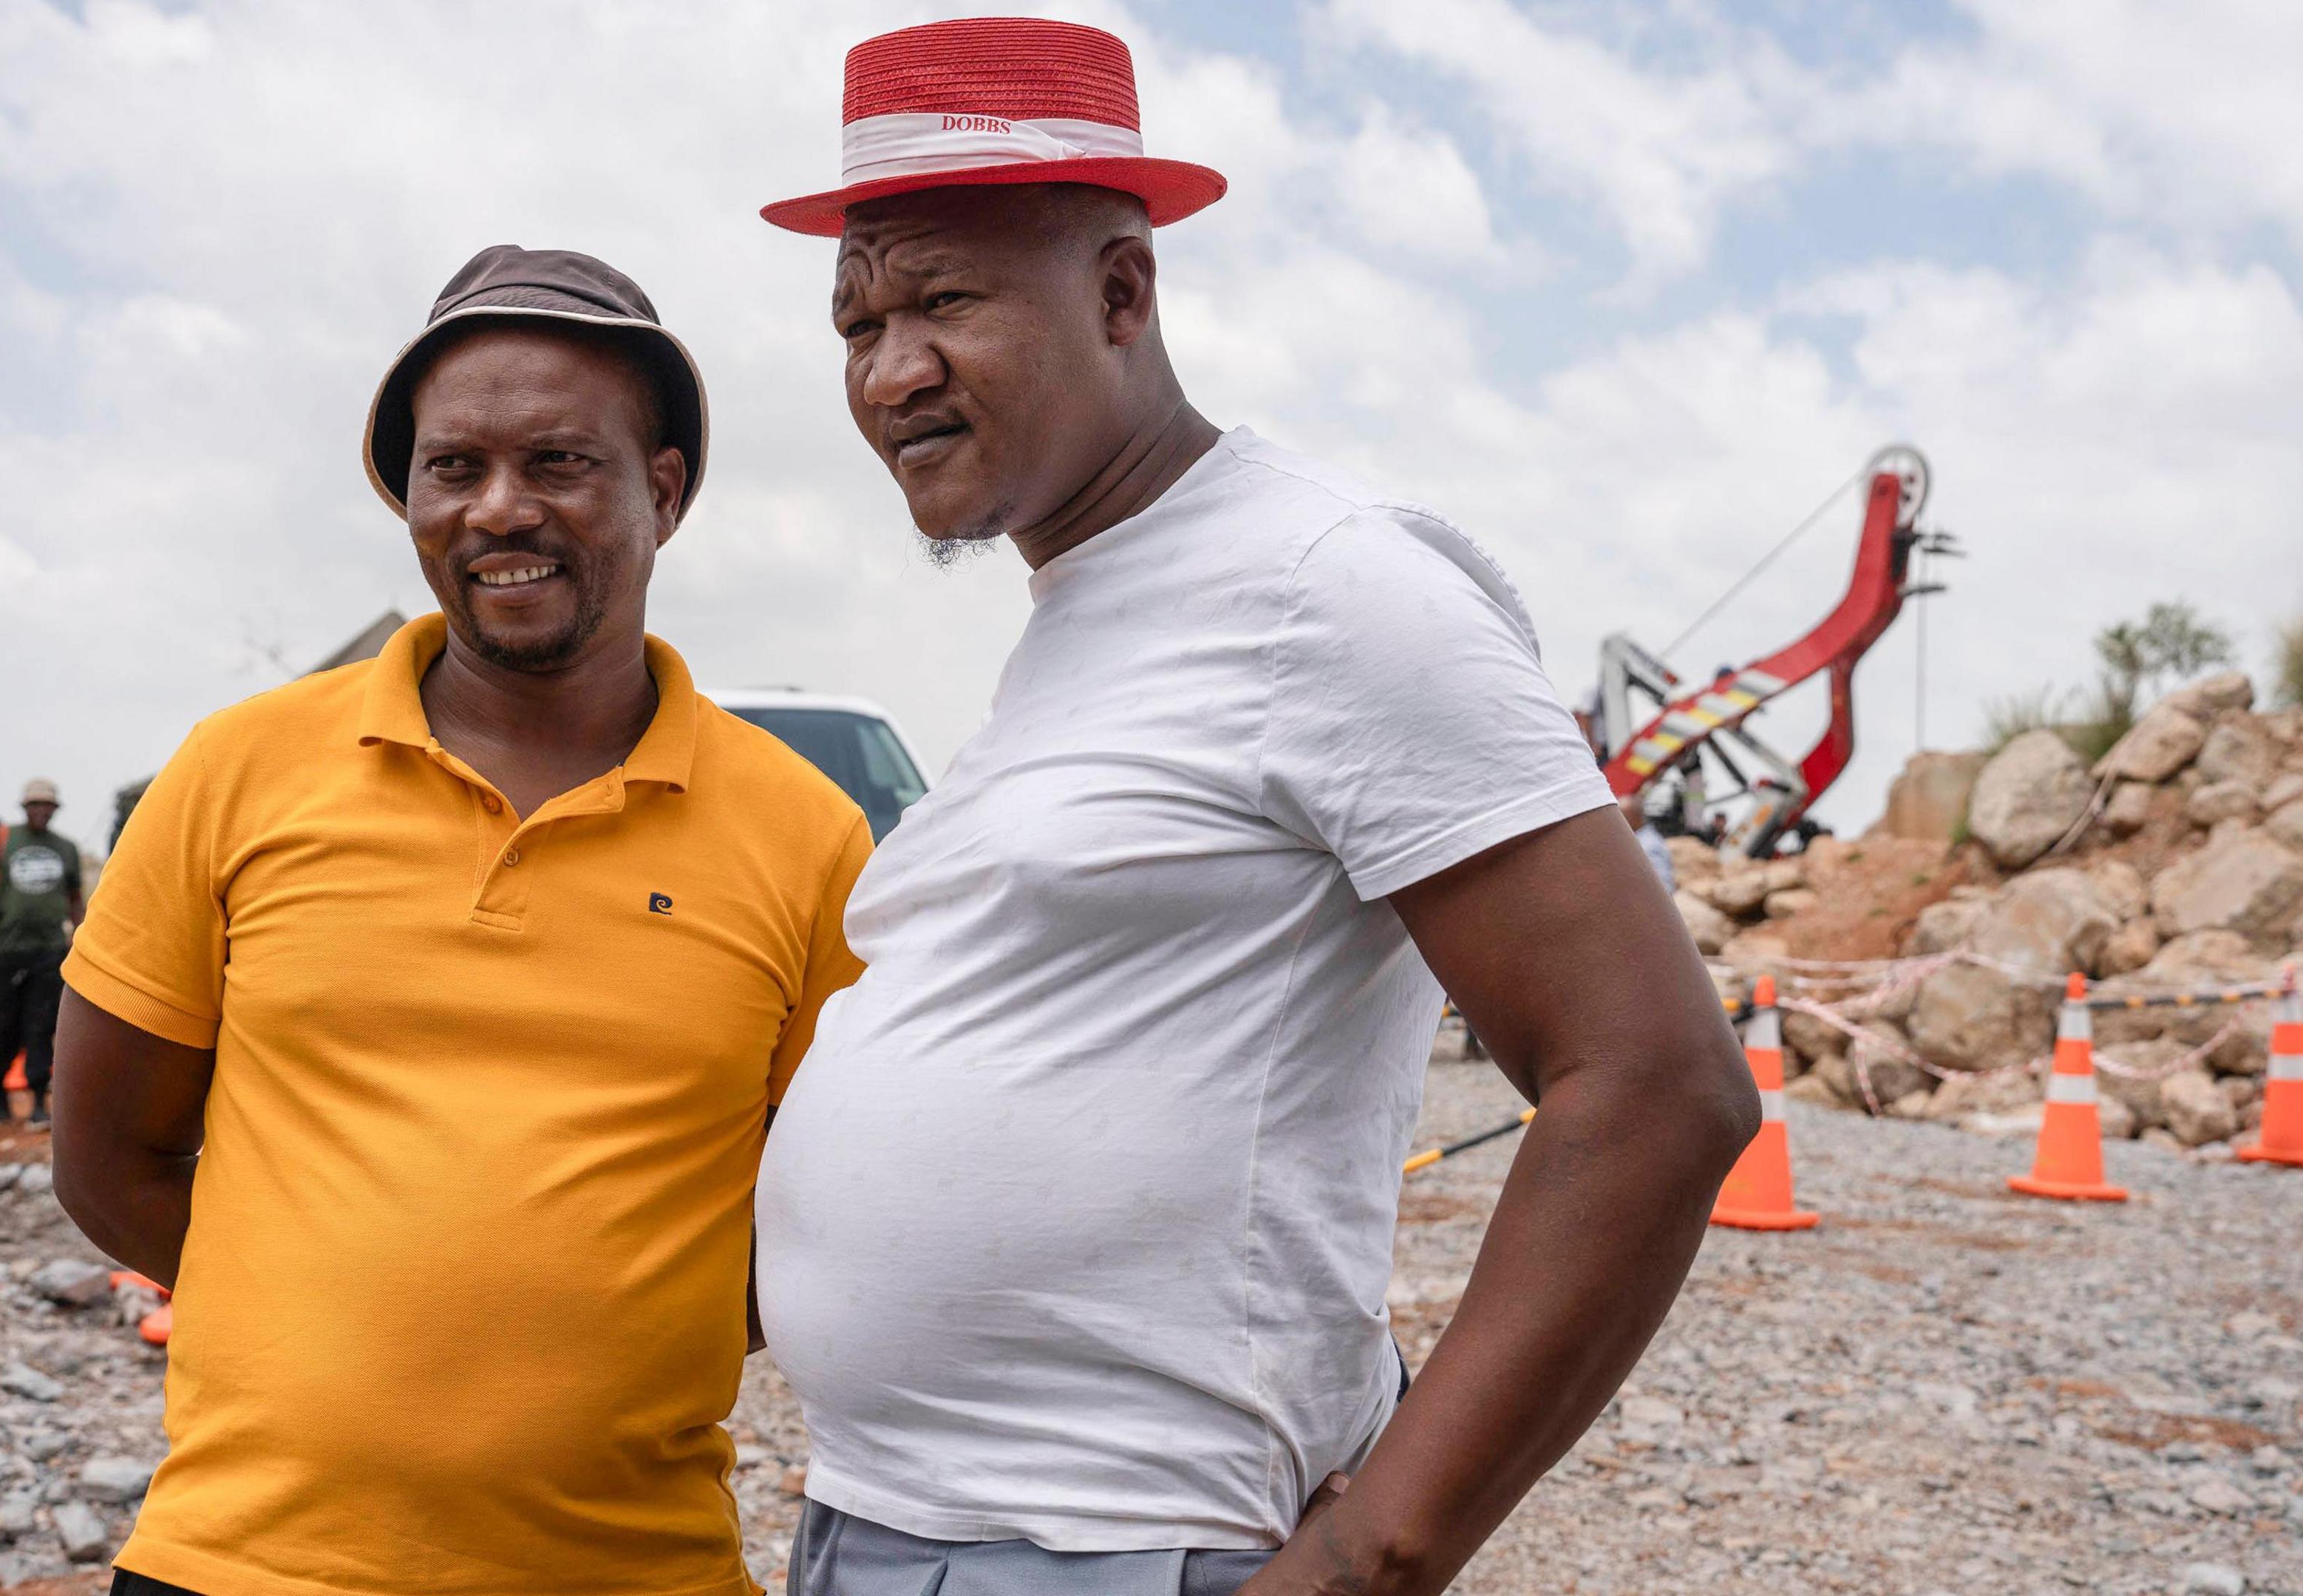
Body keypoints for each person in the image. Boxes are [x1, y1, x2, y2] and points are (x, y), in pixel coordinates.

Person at [752, 19, 1759, 1595]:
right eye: (857, 318)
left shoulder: (1330, 590)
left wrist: (1374, 1548)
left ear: (1123, 294)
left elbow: (1655, 1082)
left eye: (943, 299)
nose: (890, 370)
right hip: (894, 1526)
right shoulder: (1090, 612)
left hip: (1121, 1549)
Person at [48, 245, 874, 1596]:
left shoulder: (803, 835)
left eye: (560, 463)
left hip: (635, 1571)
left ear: (660, 493)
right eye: (453, 468)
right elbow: (107, 1158)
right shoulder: (238, 769)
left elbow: (822, 1224)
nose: (501, 510)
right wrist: (311, 1314)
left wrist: (605, 1336)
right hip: (243, 1568)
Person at [0, 779, 84, 1126]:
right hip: (4, 949)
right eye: (35, 805)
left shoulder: (66, 848)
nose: (41, 811)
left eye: (47, 806)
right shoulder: (3, 838)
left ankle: (37, 1099)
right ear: (25, 808)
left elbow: (75, 896)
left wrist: (81, 932)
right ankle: (0, 1090)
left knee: (42, 1024)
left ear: (55, 810)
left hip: (48, 950)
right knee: (3, 1023)